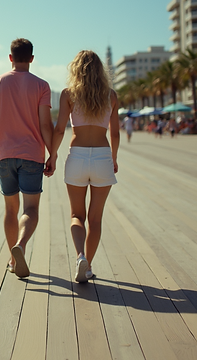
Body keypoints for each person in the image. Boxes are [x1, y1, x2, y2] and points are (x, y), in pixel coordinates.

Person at [0, 38, 54, 278]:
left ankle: (12, 258)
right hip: (32, 154)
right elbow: (45, 124)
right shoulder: (42, 86)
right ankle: (21, 244)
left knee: (11, 209)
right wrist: (53, 153)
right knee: (31, 208)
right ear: (31, 58)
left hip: (4, 155)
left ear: (10, 58)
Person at [52, 50, 119, 283]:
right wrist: (115, 157)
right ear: (100, 71)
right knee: (96, 219)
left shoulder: (68, 94)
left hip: (77, 156)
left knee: (76, 215)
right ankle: (88, 265)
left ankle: (80, 256)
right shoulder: (110, 95)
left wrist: (51, 155)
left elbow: (60, 129)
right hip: (102, 156)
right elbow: (116, 132)